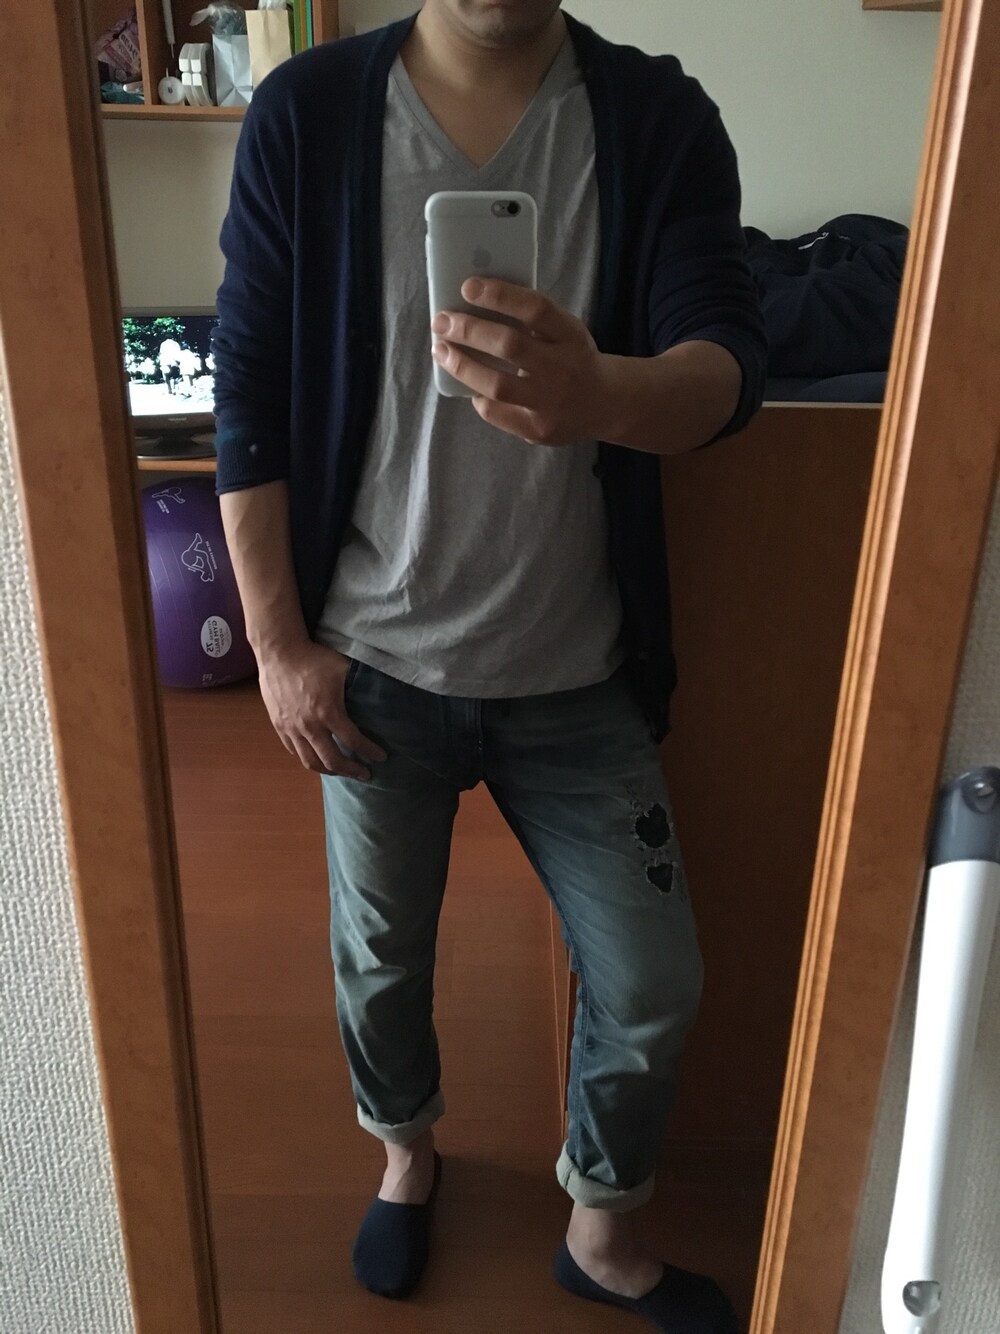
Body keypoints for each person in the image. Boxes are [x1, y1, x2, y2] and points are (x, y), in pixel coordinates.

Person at [212, 3, 766, 1329]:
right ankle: (406, 1155)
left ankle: (601, 1228)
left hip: (581, 672)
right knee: (382, 961)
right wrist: (278, 648)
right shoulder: (307, 116)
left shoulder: (657, 119)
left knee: (653, 981)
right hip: (373, 668)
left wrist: (602, 396)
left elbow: (730, 362)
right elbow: (249, 391)